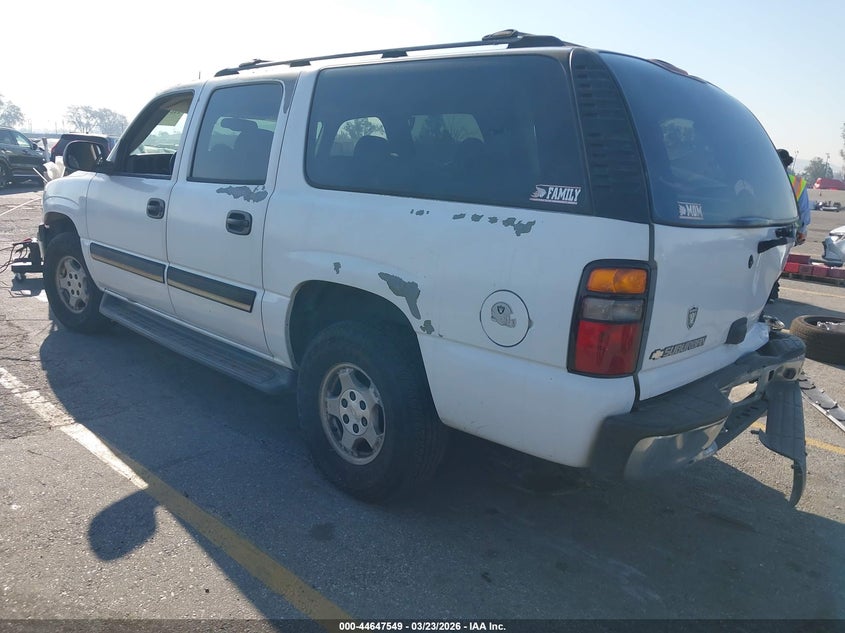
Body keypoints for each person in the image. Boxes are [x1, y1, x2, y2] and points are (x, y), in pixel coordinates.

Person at [769, 149, 811, 302]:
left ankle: (767, 292)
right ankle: (772, 291)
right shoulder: (798, 183)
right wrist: (802, 231)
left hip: (766, 228)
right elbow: (804, 211)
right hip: (788, 230)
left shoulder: (765, 179)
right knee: (779, 262)